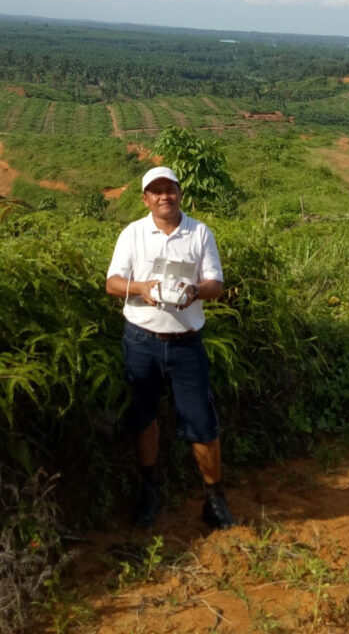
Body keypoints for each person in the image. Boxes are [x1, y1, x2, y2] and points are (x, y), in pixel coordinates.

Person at [105, 165, 235, 530]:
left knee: (202, 422)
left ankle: (214, 499)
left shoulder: (199, 233)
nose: (165, 196)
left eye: (170, 189)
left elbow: (215, 285)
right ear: (145, 198)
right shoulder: (133, 234)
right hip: (141, 341)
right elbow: (112, 283)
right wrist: (141, 287)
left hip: (186, 344)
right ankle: (150, 491)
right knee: (143, 416)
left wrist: (194, 291)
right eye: (156, 190)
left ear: (180, 193)